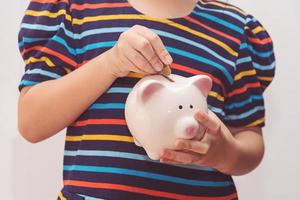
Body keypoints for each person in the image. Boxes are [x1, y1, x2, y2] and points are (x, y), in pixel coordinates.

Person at [17, 0, 275, 199]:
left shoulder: (235, 30)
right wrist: (111, 63)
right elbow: (32, 122)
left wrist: (223, 152)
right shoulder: (78, 10)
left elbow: (250, 140)